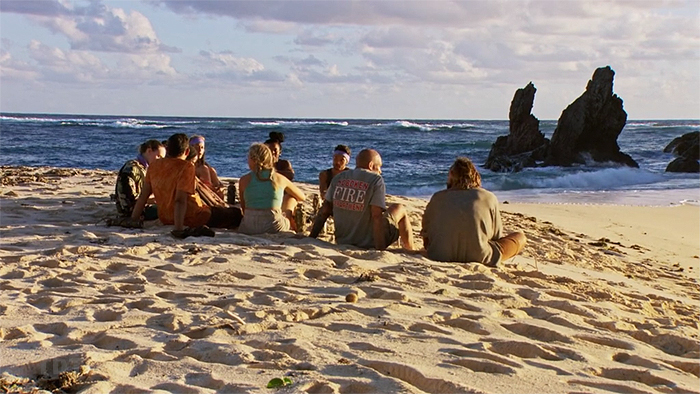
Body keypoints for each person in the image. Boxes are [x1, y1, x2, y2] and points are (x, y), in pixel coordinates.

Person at [130, 133, 243, 238]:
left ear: (168, 149)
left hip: (165, 216)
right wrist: (178, 229)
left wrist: (133, 219)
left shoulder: (154, 166)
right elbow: (180, 200)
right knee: (236, 214)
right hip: (191, 216)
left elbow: (143, 197)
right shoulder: (186, 167)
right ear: (187, 152)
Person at [420, 157, 526, 266]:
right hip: (480, 257)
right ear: (476, 176)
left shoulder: (437, 197)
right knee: (520, 237)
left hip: (438, 255)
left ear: (451, 174)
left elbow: (426, 236)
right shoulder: (488, 197)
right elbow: (496, 236)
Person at [310, 149, 415, 250]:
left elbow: (324, 211)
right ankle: (410, 248)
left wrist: (311, 237)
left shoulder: (339, 178)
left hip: (343, 240)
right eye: (379, 167)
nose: (380, 171)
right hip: (368, 242)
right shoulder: (375, 180)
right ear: (370, 165)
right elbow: (376, 215)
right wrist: (380, 249)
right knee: (399, 208)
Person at [238, 143, 306, 234]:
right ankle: (291, 221)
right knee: (291, 198)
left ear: (252, 159)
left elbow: (244, 208)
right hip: (274, 227)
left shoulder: (244, 180)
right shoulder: (279, 178)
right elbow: (302, 197)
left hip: (249, 227)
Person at [115, 139, 165, 220]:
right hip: (132, 210)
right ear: (149, 151)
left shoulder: (142, 167)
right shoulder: (132, 169)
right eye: (158, 156)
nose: (160, 160)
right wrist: (151, 200)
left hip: (135, 207)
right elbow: (129, 198)